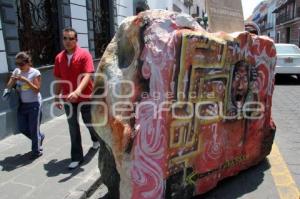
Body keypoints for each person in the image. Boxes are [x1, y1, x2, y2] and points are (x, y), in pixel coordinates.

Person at [53, 27, 100, 169]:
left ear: (76, 40)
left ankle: (96, 139)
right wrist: (56, 97)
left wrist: (78, 91)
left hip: (85, 96)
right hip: (68, 97)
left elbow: (88, 75)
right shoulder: (59, 57)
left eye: (71, 38)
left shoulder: (84, 54)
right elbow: (58, 78)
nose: (67, 41)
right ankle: (76, 157)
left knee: (89, 123)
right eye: (65, 38)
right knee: (73, 127)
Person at [5, 51, 44, 159]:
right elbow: (8, 86)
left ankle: (36, 151)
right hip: (22, 104)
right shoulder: (17, 71)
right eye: (17, 64)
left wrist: (25, 80)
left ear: (28, 62)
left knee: (33, 128)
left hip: (34, 104)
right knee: (22, 128)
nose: (19, 66)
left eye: (21, 64)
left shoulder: (35, 73)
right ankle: (39, 137)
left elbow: (37, 90)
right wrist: (12, 79)